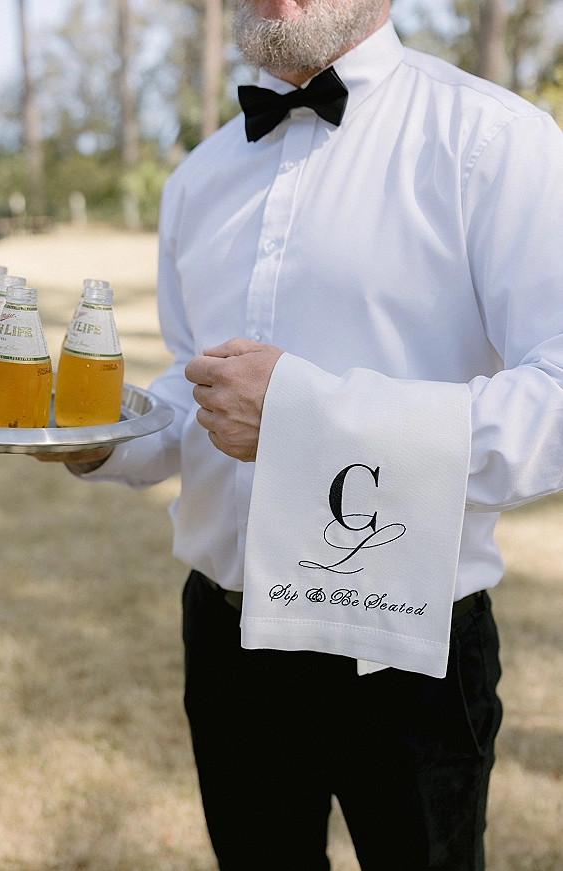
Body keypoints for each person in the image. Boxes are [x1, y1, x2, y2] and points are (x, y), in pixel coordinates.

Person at [45, 0, 563, 867]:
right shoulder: (197, 179)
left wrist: (308, 424)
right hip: (228, 643)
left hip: (407, 653)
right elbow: (195, 386)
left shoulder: (494, 143)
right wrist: (102, 436)